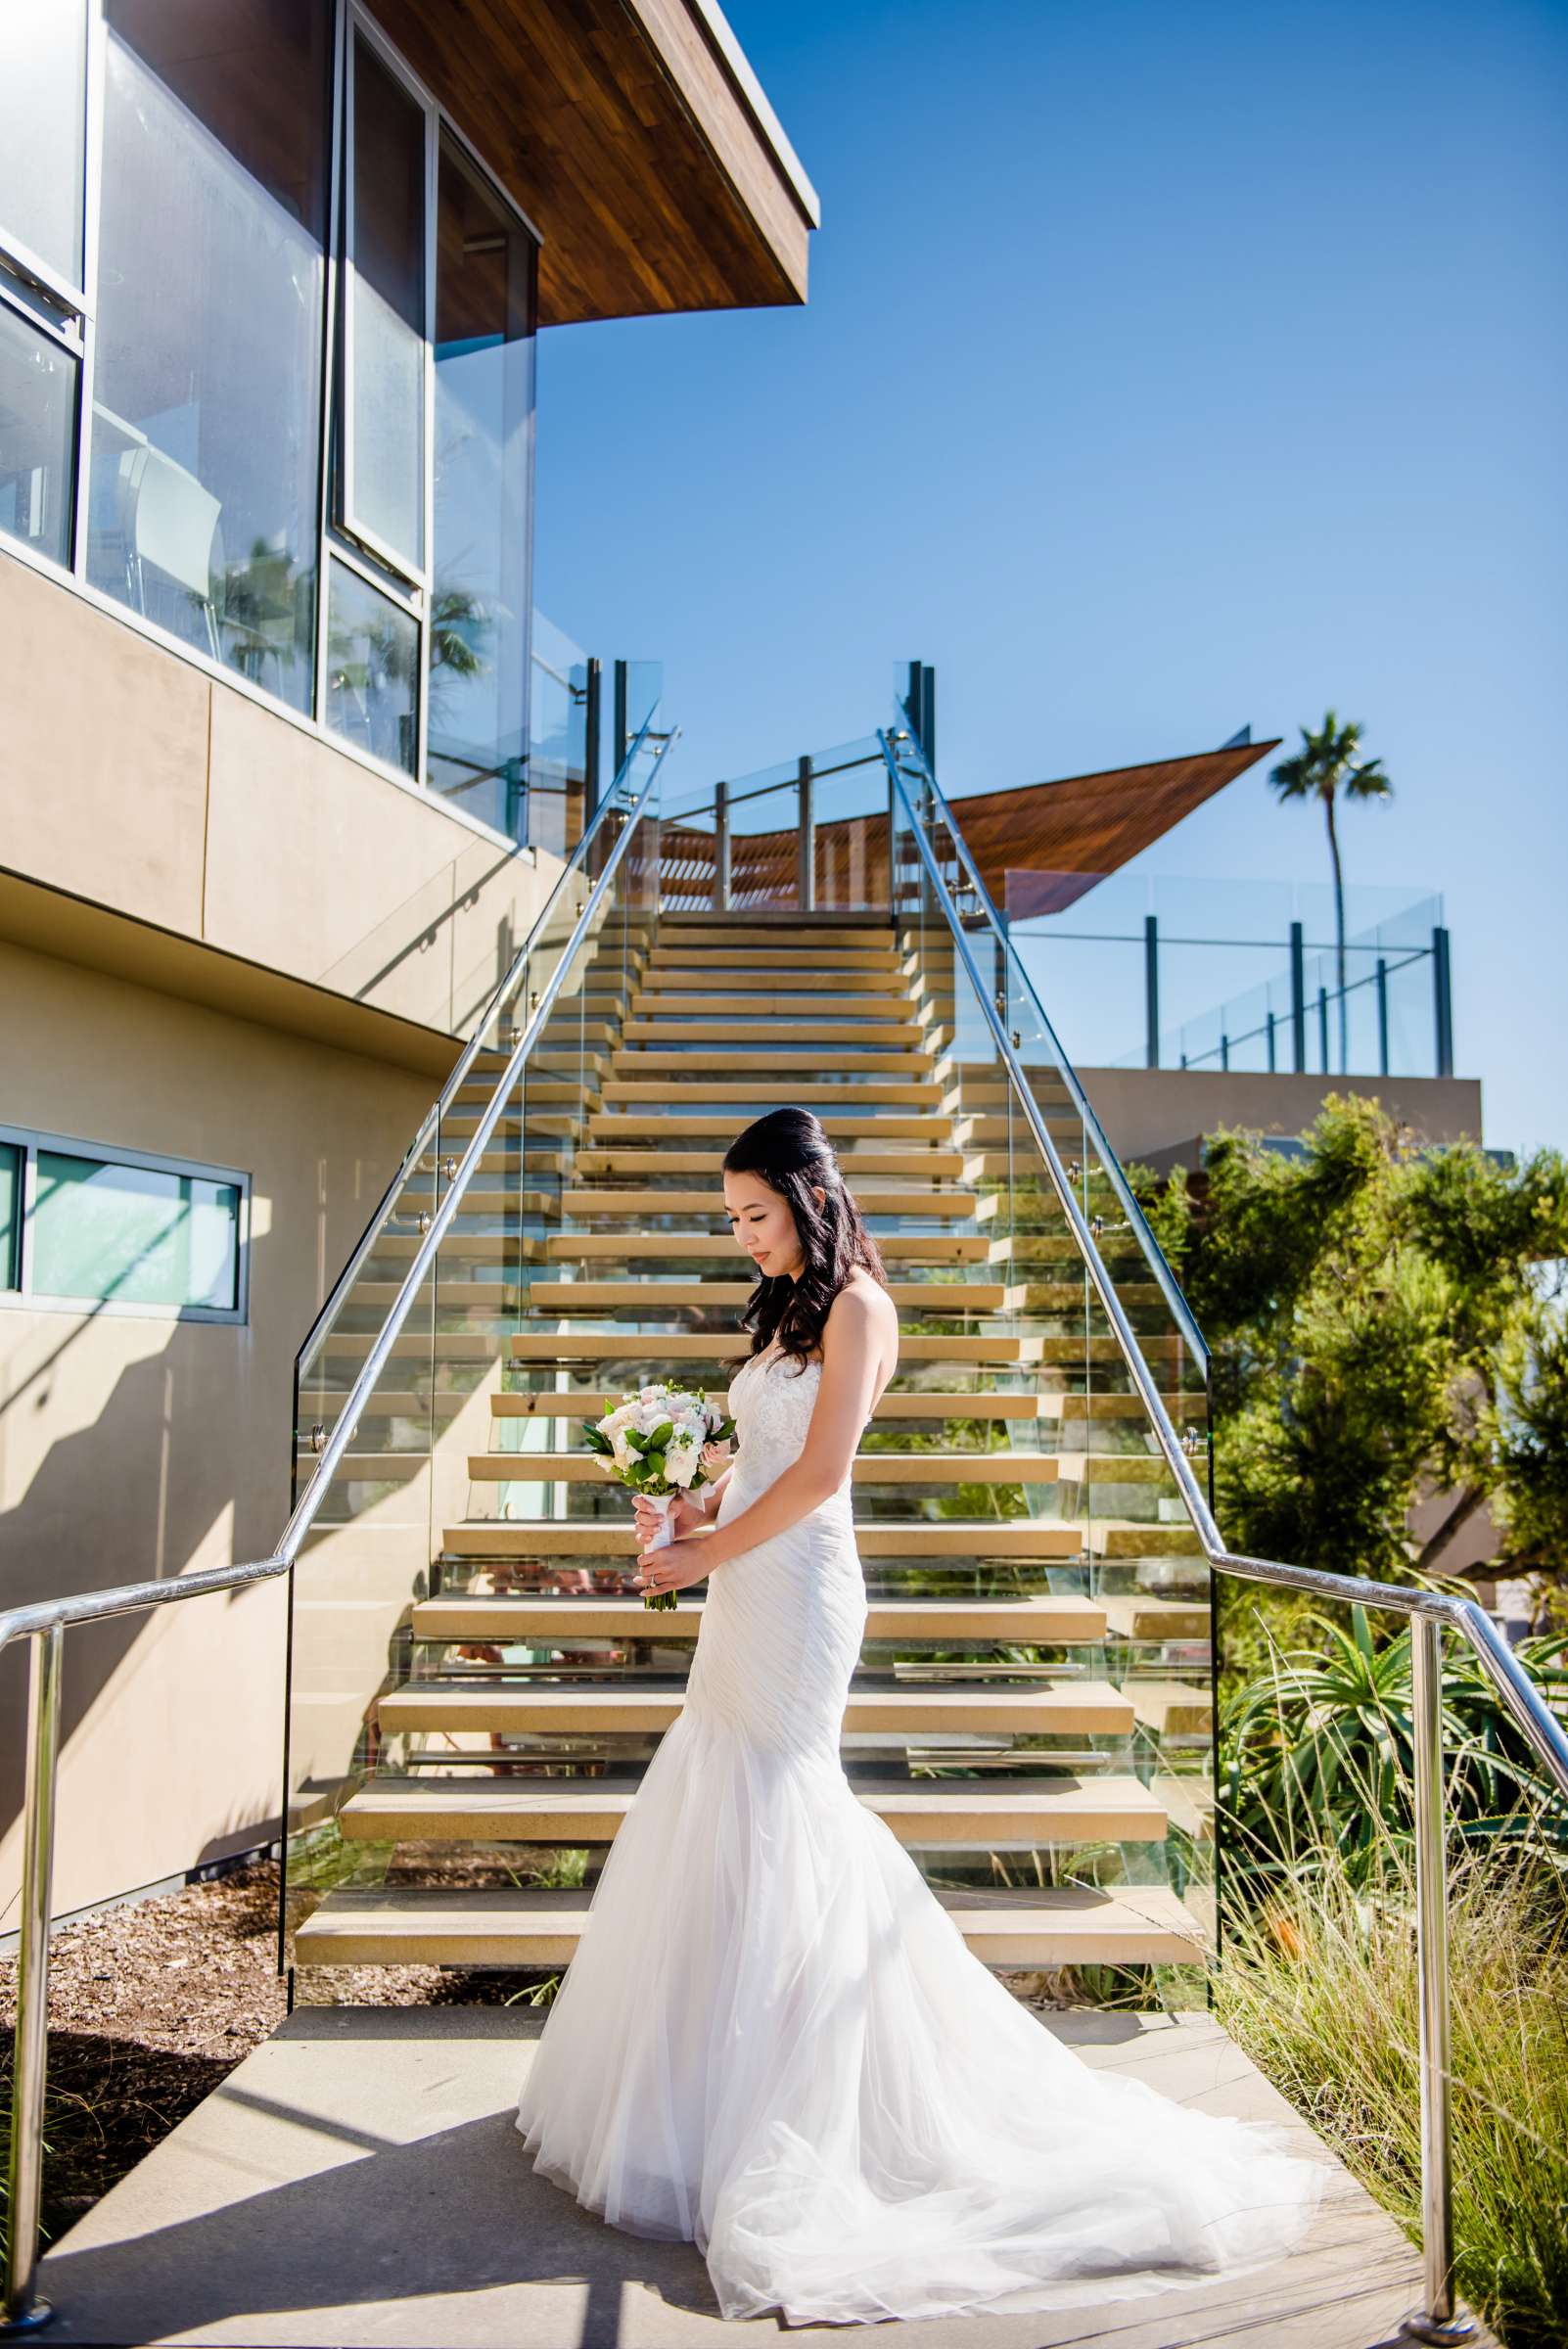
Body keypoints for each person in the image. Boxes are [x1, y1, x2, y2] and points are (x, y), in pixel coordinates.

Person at [515, 1105, 1332, 2324]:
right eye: (733, 1219)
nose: (743, 1237)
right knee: (719, 1800)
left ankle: (816, 2105)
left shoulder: (860, 1309)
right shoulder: (786, 1310)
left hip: (800, 1594)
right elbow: (752, 1459)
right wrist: (683, 1523)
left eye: (755, 1215)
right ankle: (698, 2107)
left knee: (788, 1811)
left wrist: (713, 1550)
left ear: (808, 1199)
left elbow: (823, 1473)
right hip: (746, 1578)